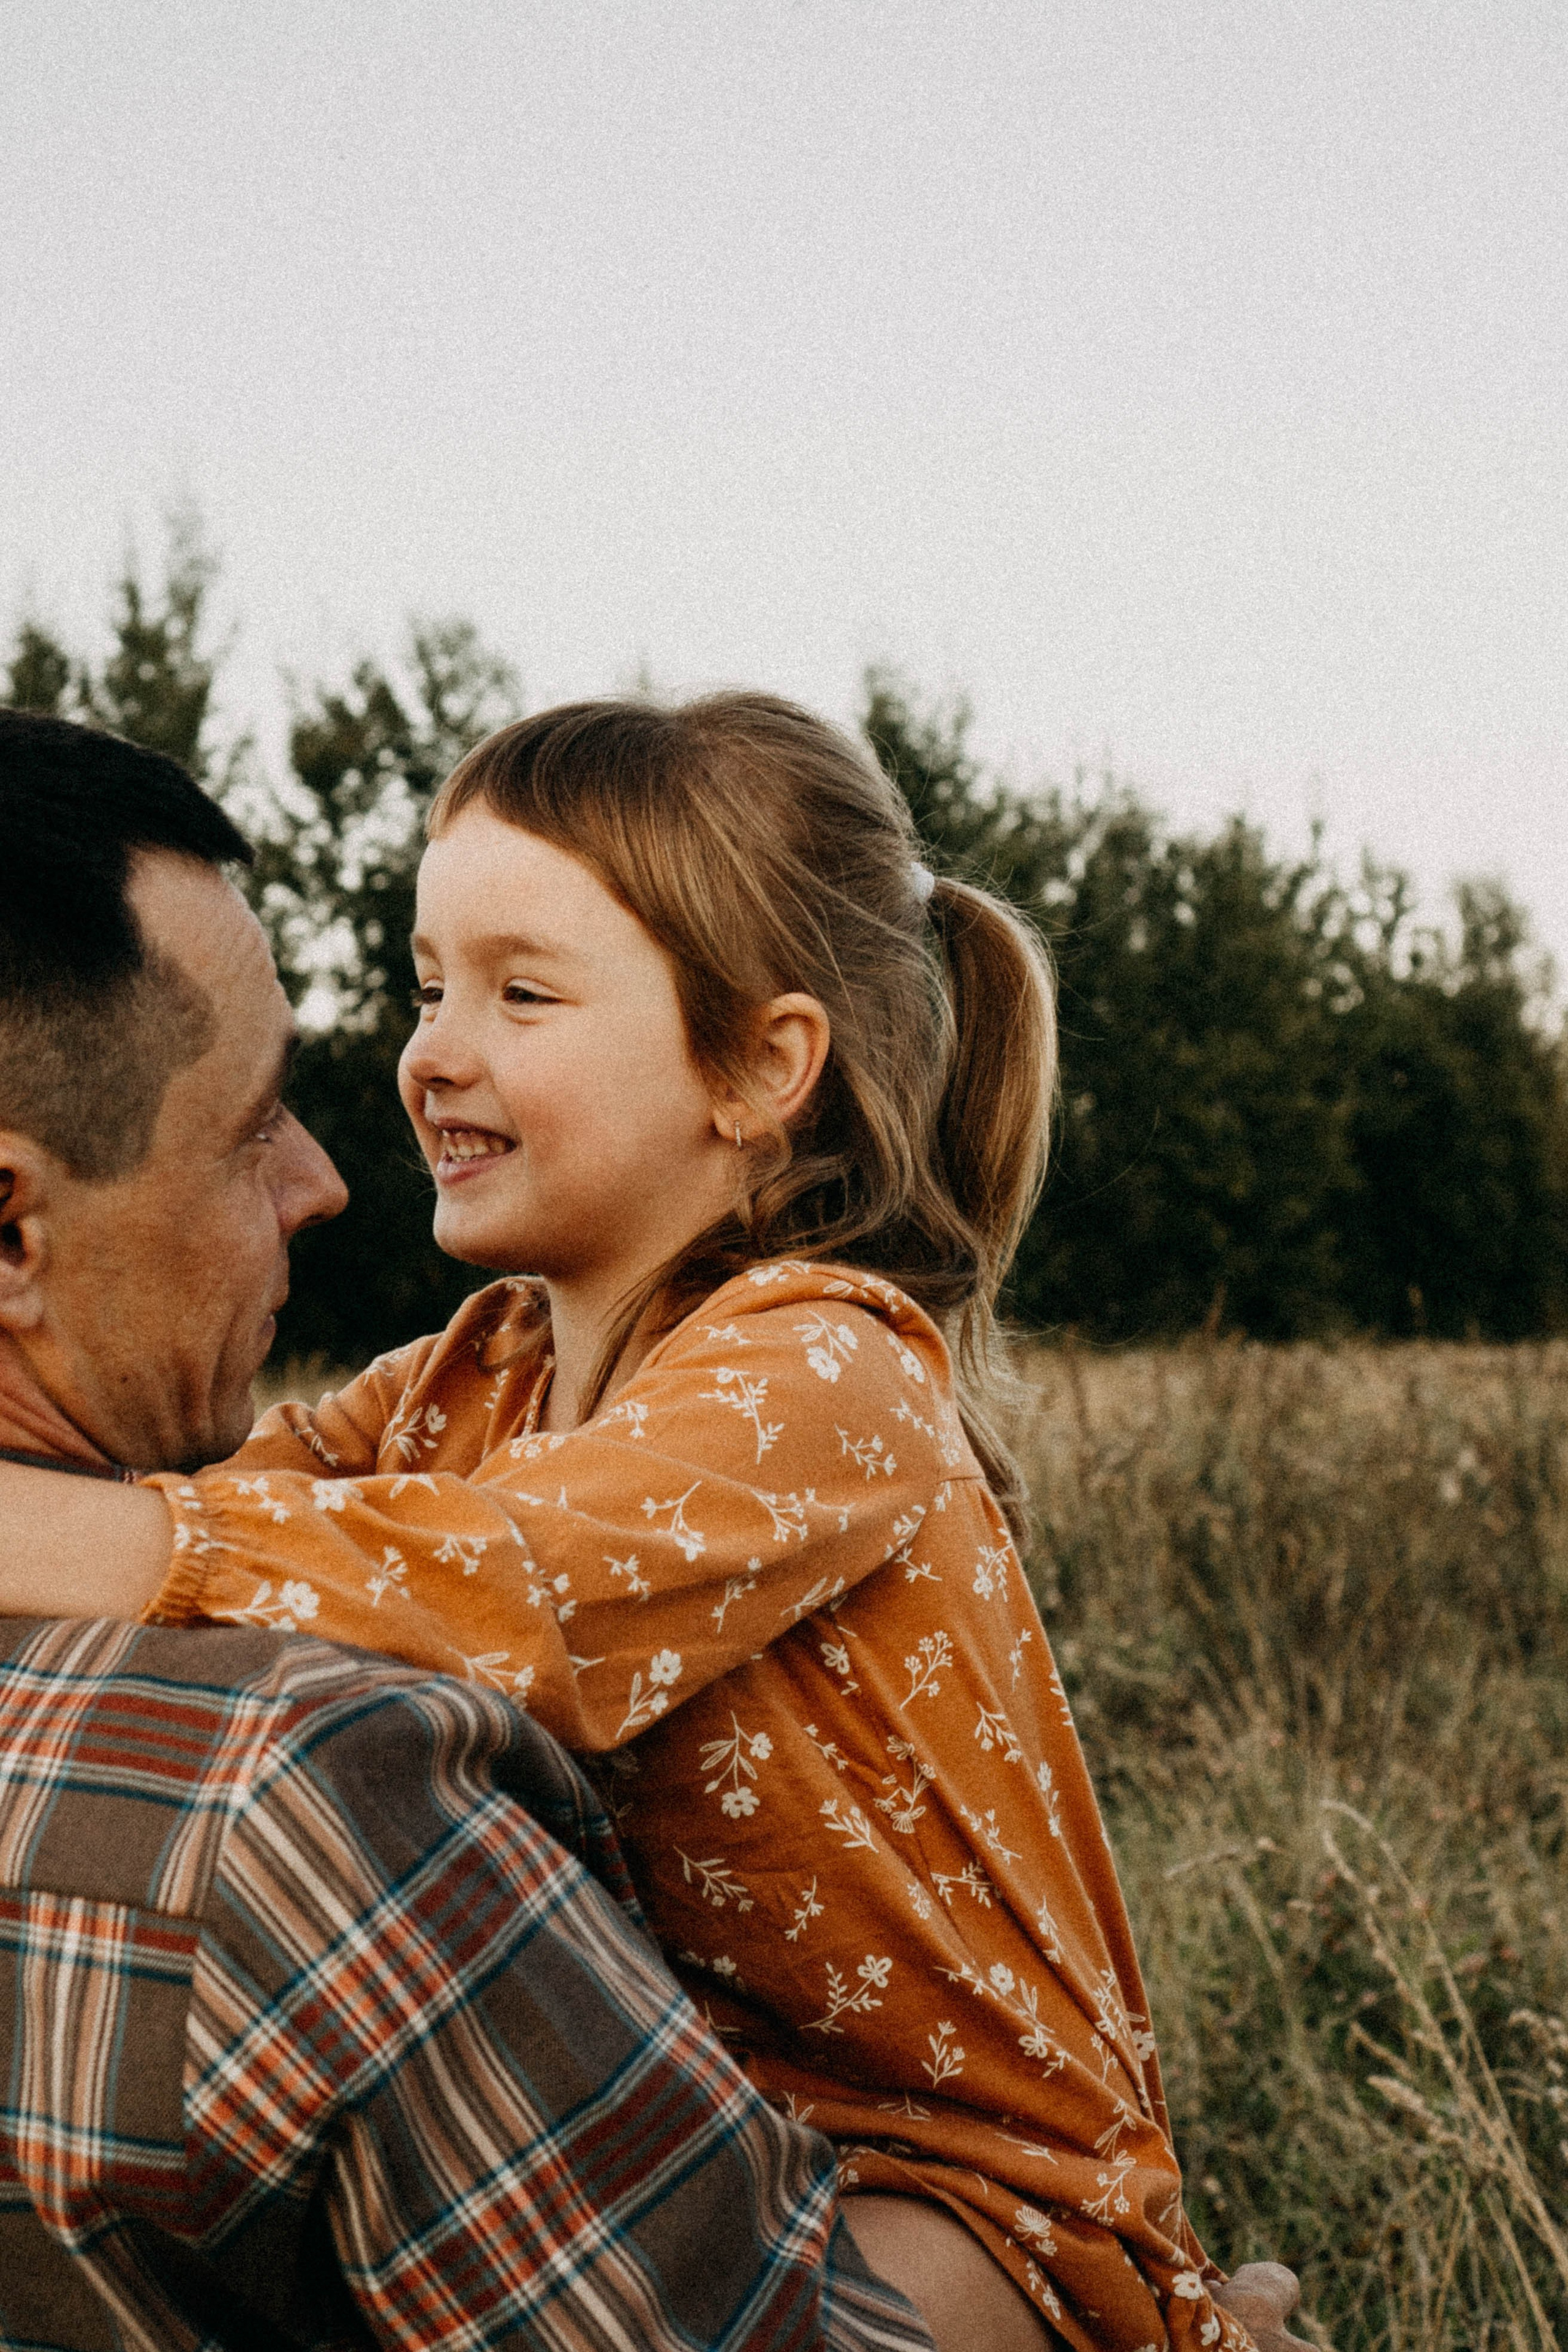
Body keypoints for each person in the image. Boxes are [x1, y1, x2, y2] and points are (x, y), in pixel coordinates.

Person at [0, 700, 1315, 2352]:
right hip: (700, 2130)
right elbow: (219, 1521)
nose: (431, 1051)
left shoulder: (820, 1371)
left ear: (759, 1070)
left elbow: (501, 1591)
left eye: (521, 992)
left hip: (955, 2184)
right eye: (428, 983)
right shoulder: (456, 1385)